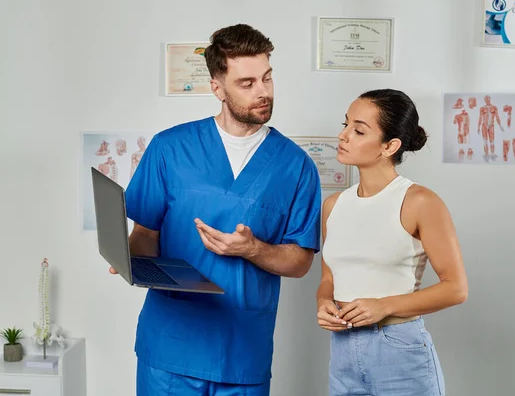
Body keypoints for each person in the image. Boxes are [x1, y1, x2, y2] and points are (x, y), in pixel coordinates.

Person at [115, 24, 322, 396]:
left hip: (242, 351)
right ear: (217, 88)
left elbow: (301, 261)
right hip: (170, 348)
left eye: (268, 78)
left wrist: (252, 249)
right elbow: (144, 235)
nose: (263, 92)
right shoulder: (169, 149)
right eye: (247, 83)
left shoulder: (296, 167)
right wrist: (129, 261)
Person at [317, 89, 468, 396]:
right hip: (343, 350)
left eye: (358, 130)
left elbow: (456, 288)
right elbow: (329, 277)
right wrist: (323, 302)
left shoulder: (420, 201)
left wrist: (383, 306)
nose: (343, 135)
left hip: (399, 346)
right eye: (345, 124)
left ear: (389, 145)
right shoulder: (333, 205)